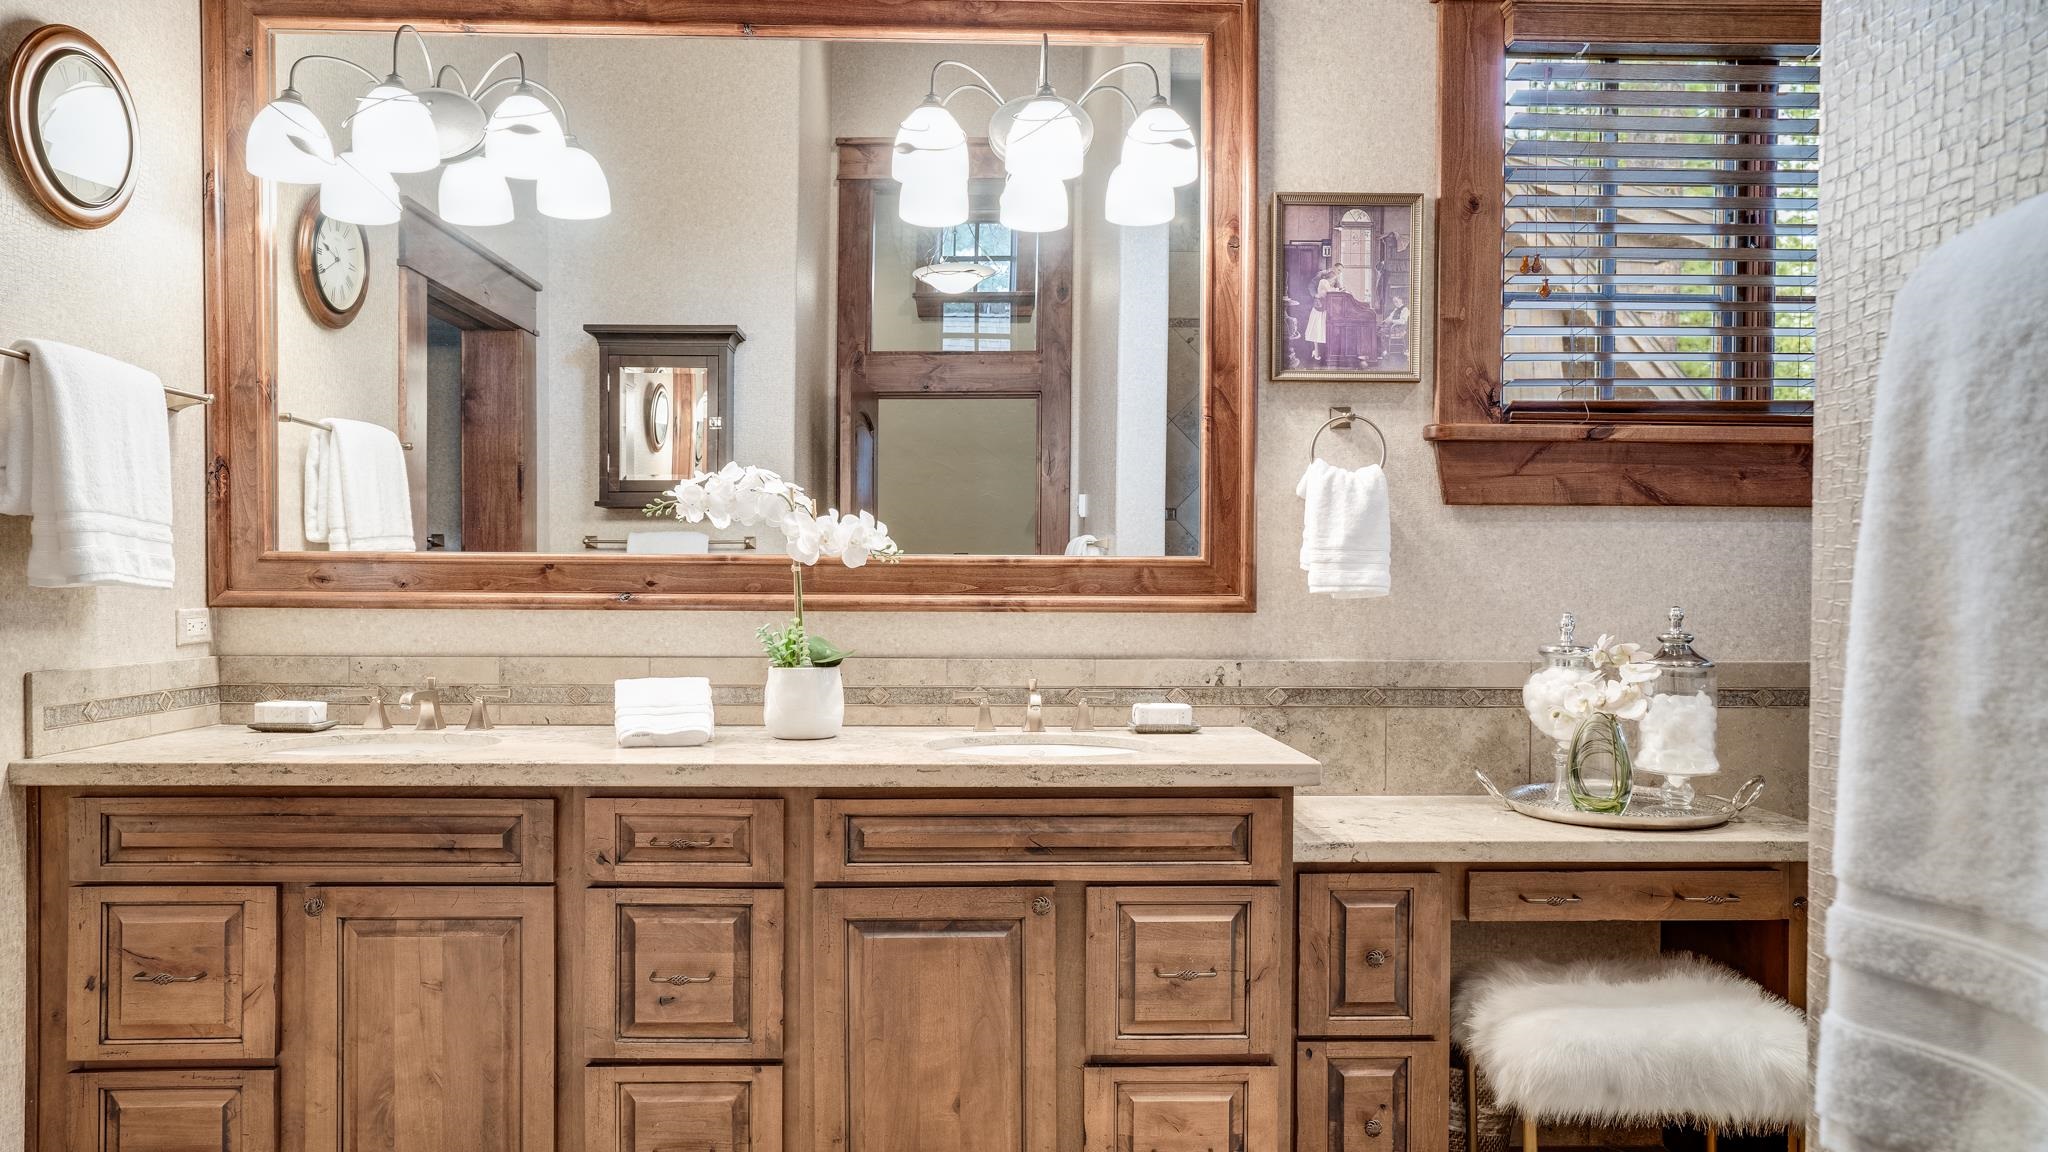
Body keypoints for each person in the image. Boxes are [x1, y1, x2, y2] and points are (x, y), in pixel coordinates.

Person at [1304, 263, 1341, 363]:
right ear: (1333, 268)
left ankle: (1320, 352)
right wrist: (1315, 295)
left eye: (1341, 271)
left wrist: (1339, 290)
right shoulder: (1322, 276)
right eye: (1338, 270)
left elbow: (1337, 289)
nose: (1339, 272)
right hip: (1319, 304)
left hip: (1327, 306)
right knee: (1318, 328)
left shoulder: (1335, 277)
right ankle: (1317, 352)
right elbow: (1311, 286)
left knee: (1323, 329)